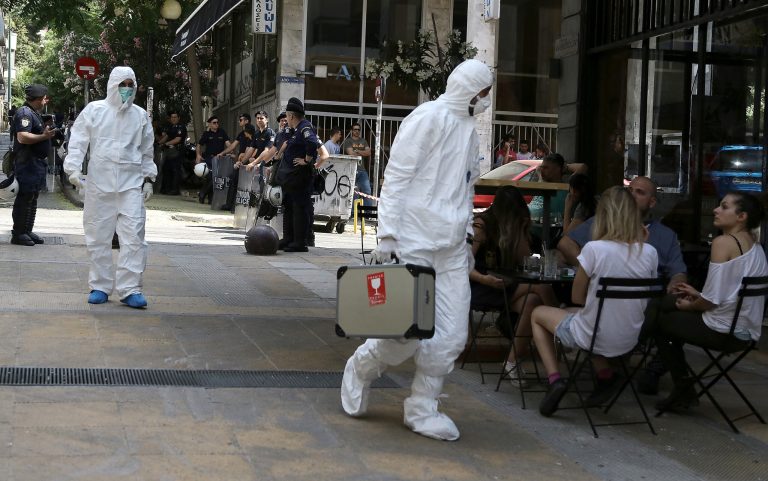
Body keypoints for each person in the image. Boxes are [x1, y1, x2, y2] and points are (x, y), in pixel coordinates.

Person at [340, 58, 494, 441]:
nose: (486, 100)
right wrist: (388, 236)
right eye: (484, 93)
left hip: (452, 249)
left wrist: (468, 237)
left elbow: (465, 185)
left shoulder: (469, 129)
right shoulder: (428, 118)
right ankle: (360, 368)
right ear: (468, 89)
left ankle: (423, 407)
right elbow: (397, 177)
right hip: (414, 244)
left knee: (452, 337)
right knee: (402, 334)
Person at [531, 186, 659, 416]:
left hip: (595, 335)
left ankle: (555, 380)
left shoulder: (594, 249)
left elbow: (577, 297)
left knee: (539, 313)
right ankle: (605, 375)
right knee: (588, 316)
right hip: (629, 338)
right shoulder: (650, 252)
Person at [643, 192, 768, 411]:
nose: (715, 210)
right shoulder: (755, 246)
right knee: (662, 304)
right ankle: (666, 379)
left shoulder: (723, 242)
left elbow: (710, 302)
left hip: (723, 331)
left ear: (742, 217)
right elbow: (725, 293)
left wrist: (692, 304)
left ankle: (682, 389)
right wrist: (696, 295)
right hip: (745, 331)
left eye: (724, 207)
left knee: (661, 320)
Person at [64, 66, 157, 308]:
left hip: (130, 186)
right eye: (122, 84)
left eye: (130, 84)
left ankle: (130, 289)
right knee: (98, 236)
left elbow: (147, 152)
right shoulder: (95, 111)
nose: (126, 89)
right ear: (112, 85)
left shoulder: (140, 117)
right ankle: (100, 285)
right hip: (99, 185)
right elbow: (78, 140)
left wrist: (148, 179)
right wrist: (73, 171)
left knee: (134, 237)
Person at [470, 186, 558, 386]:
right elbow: (462, 264)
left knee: (533, 303)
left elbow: (524, 257)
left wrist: (522, 230)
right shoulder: (482, 226)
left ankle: (511, 361)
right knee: (540, 288)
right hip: (483, 285)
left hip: (504, 284)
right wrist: (484, 279)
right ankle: (560, 331)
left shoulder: (511, 227)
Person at [557, 176, 687, 292]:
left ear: (652, 202)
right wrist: (591, 272)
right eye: (630, 190)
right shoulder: (603, 222)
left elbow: (678, 273)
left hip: (648, 304)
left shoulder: (666, 235)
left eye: (639, 192)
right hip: (604, 299)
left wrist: (675, 287)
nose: (632, 195)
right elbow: (565, 244)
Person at [10, 84, 56, 246]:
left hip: (35, 162)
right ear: (37, 99)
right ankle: (18, 233)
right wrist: (44, 137)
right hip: (27, 162)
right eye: (44, 98)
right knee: (25, 197)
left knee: (33, 197)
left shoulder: (34, 113)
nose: (46, 101)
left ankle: (27, 230)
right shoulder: (24, 113)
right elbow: (22, 137)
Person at [274, 98, 319, 252]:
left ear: (292, 116)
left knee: (299, 208)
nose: (286, 119)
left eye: (287, 115)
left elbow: (313, 143)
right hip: (291, 179)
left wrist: (306, 160)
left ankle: (300, 242)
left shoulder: (304, 127)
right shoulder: (295, 130)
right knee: (289, 207)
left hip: (300, 177)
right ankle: (288, 238)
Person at [195, 115, 230, 205]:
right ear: (210, 124)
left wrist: (231, 151)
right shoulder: (206, 134)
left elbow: (228, 143)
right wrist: (198, 155)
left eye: (217, 123)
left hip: (220, 158)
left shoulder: (222, 132)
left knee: (216, 177)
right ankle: (204, 194)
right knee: (211, 176)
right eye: (214, 123)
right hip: (209, 158)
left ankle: (207, 195)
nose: (216, 124)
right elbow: (199, 144)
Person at [342, 123, 373, 207]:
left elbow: (369, 152)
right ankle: (352, 213)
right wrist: (362, 151)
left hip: (362, 170)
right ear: (352, 131)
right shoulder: (348, 141)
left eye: (358, 129)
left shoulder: (363, 141)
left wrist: (358, 151)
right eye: (355, 129)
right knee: (353, 192)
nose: (357, 131)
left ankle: (367, 213)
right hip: (352, 169)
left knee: (367, 191)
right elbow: (351, 153)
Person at [158, 111, 185, 195]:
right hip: (169, 152)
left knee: (175, 170)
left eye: (175, 117)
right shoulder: (171, 127)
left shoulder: (181, 127)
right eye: (172, 117)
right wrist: (158, 143)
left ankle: (174, 190)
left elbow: (178, 139)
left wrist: (166, 144)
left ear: (178, 118)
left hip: (177, 151)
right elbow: (166, 137)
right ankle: (166, 188)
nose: (173, 119)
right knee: (166, 169)